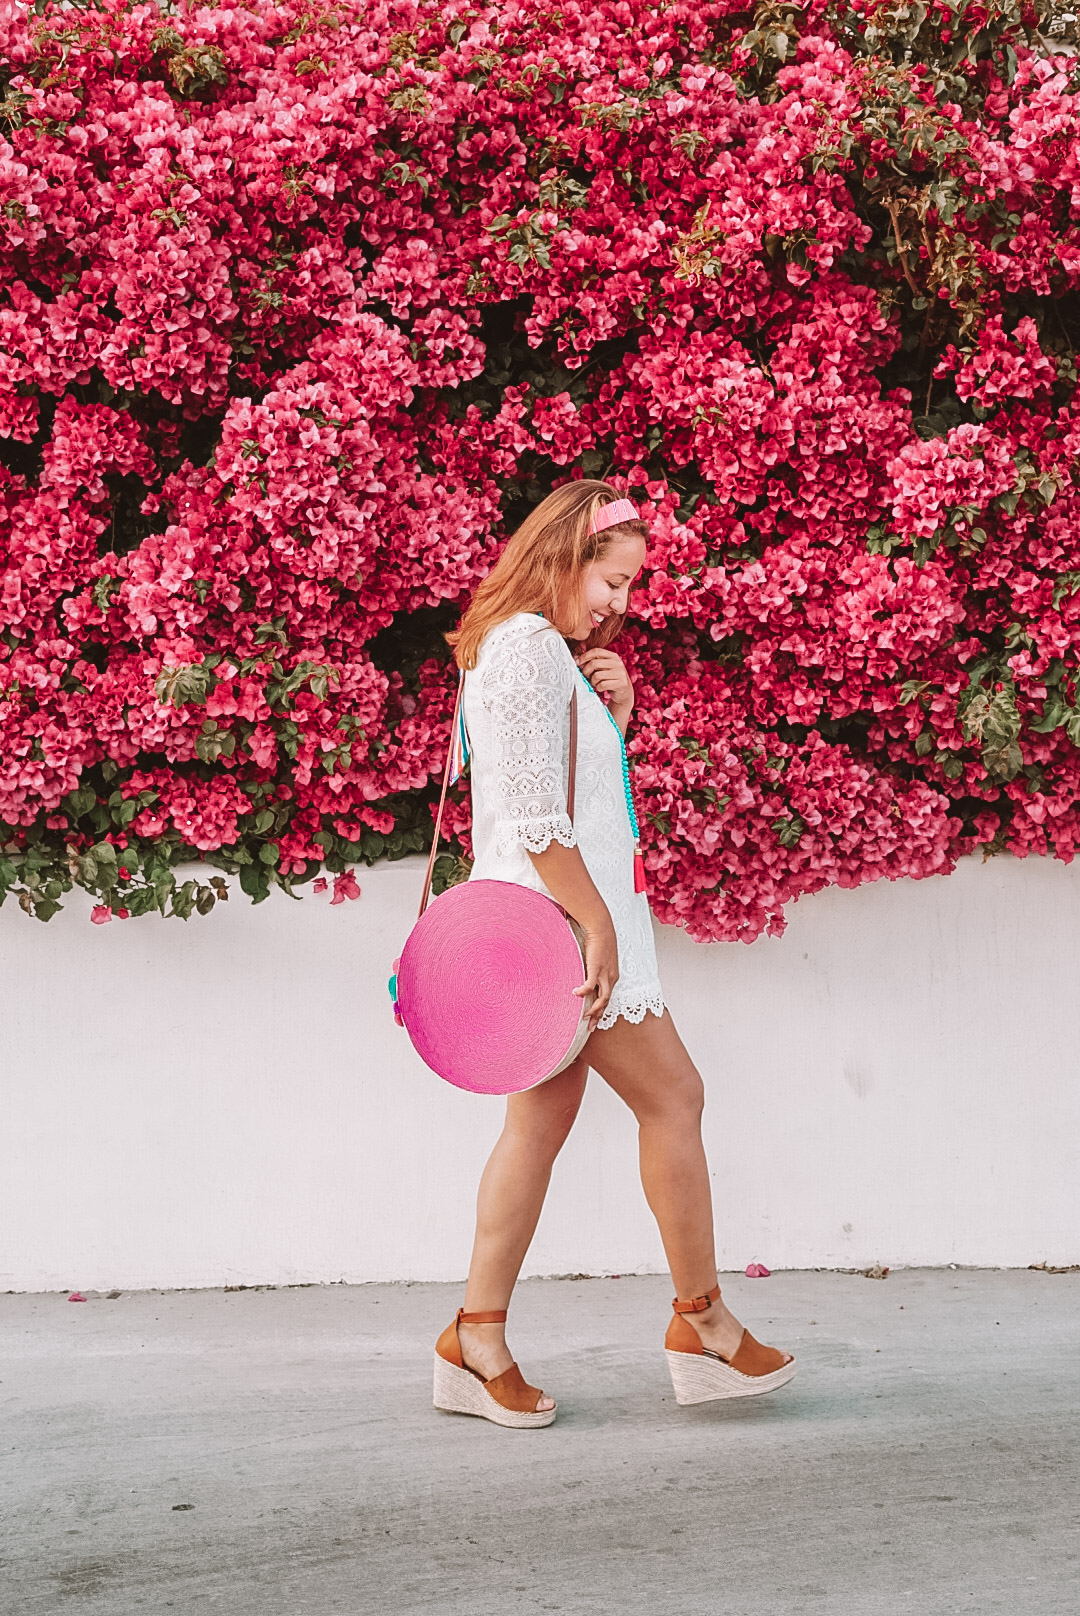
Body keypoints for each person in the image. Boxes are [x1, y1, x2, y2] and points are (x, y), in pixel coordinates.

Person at [432, 480, 795, 1428]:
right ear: (565, 556)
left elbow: (571, 798)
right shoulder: (519, 649)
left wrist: (613, 718)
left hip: (571, 922)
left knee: (538, 1126)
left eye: (629, 587)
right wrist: (596, 927)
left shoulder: (545, 654)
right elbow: (534, 818)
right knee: (674, 1098)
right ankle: (702, 1325)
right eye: (614, 579)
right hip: (564, 929)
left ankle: (475, 1339)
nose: (620, 604)